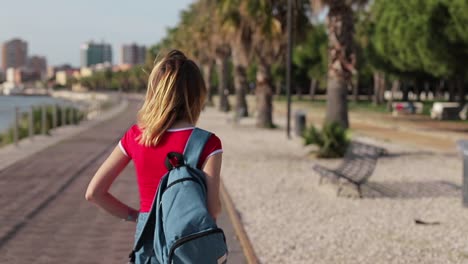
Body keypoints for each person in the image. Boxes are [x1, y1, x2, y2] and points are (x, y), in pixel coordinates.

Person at [85, 50, 223, 239]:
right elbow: (213, 209)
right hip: (191, 245)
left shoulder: (136, 136)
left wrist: (139, 217)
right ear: (197, 95)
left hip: (149, 244)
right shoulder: (208, 143)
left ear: (154, 93)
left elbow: (94, 192)